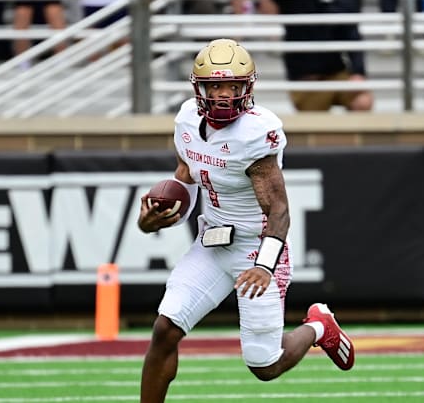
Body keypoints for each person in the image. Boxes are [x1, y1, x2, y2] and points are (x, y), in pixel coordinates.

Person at [137, 38, 355, 403]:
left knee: (264, 365)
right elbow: (187, 177)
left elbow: (279, 211)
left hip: (256, 247)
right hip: (211, 244)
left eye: (233, 86)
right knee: (165, 330)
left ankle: (319, 326)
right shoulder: (187, 120)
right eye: (216, 85)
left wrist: (264, 267)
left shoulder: (255, 133)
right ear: (200, 87)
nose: (224, 95)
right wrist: (159, 218)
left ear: (247, 88)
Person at [265, 0, 373, 112]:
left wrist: (358, 72)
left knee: (363, 100)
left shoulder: (341, 3)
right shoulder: (295, 3)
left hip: (336, 73)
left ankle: (353, 129)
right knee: (317, 125)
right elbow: (268, 9)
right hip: (306, 79)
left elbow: (352, 33)